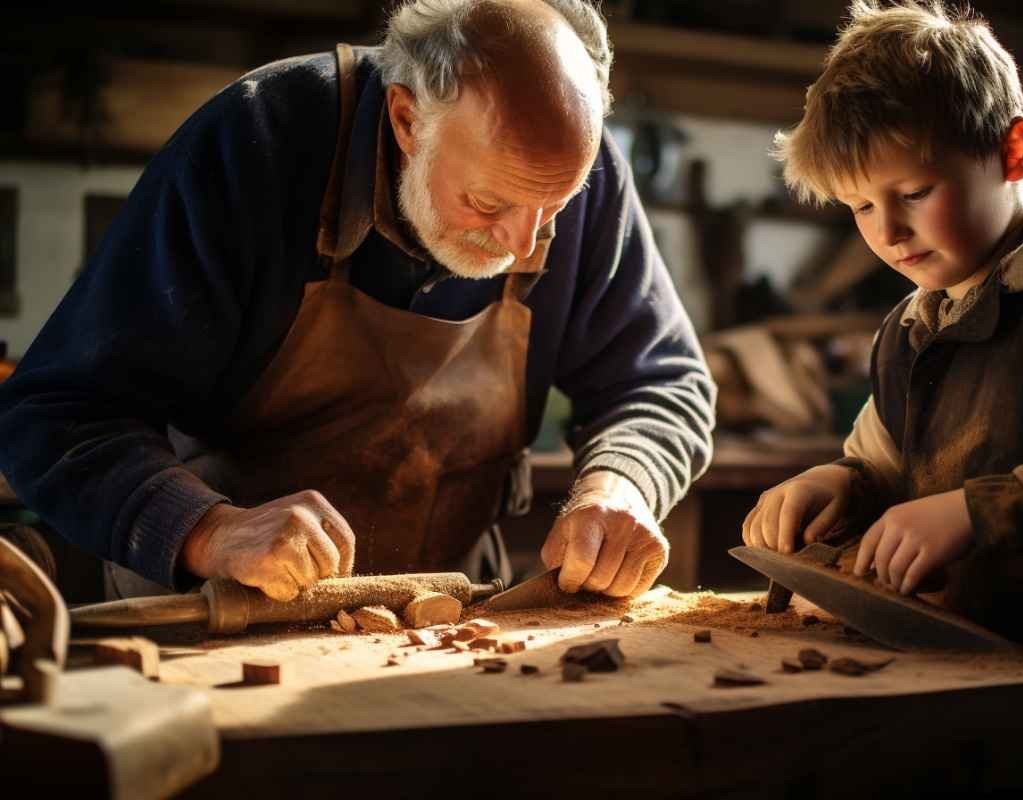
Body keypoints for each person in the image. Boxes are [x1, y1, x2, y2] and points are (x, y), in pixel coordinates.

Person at [0, 0, 714, 603]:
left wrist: (621, 486)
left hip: (446, 620)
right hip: (211, 618)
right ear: (407, 120)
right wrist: (209, 530)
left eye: (554, 207)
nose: (525, 242)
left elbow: (661, 383)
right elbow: (54, 412)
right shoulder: (256, 140)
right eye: (487, 203)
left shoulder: (570, 169)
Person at [743, 0, 1023, 777]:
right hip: (974, 708)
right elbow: (882, 466)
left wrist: (989, 511)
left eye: (914, 192)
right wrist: (839, 484)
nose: (887, 232)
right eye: (860, 206)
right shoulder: (909, 326)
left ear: (1013, 151)